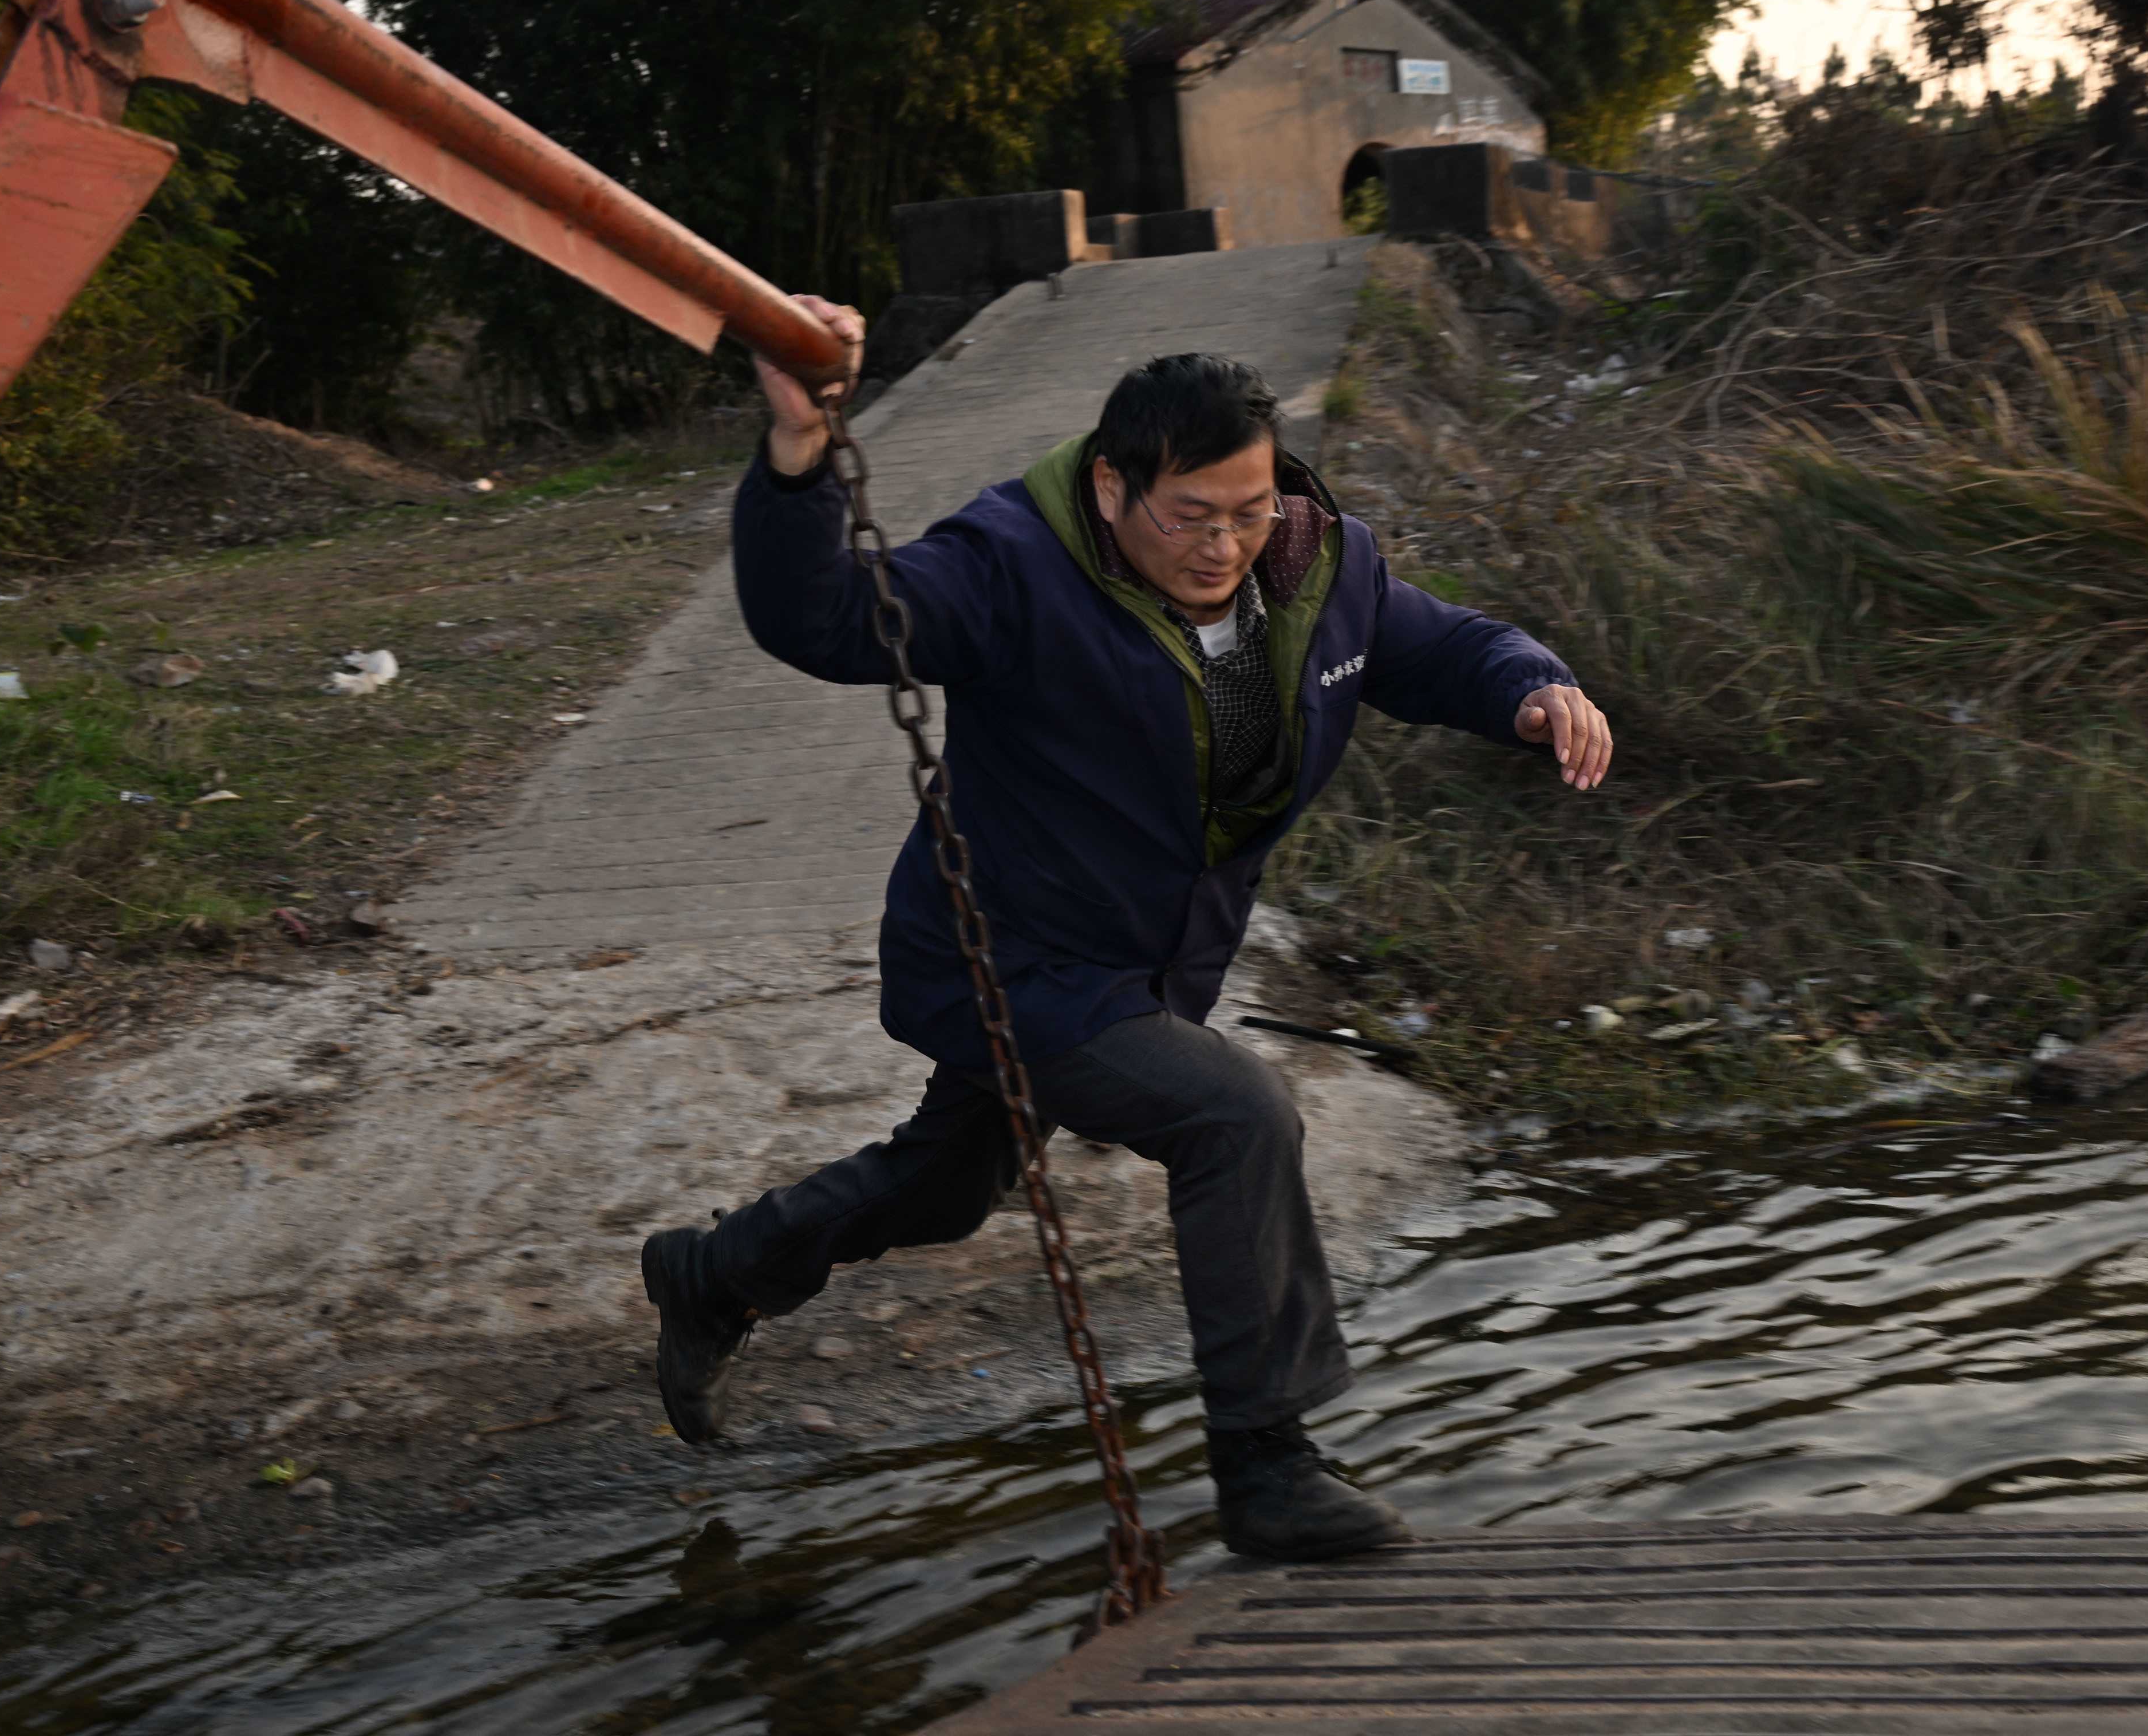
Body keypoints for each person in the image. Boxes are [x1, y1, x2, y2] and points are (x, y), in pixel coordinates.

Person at [638, 297, 1612, 1562]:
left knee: (947, 1184)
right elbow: (823, 619)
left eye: (1249, 511)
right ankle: (1266, 1464)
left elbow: (1440, 648)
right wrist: (798, 457)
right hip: (1009, 956)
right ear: (1110, 485)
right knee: (1239, 1115)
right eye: (1189, 515)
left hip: (1146, 967)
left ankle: (713, 1275)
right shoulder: (1010, 567)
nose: (1224, 545)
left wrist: (1537, 689)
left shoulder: (1319, 569)